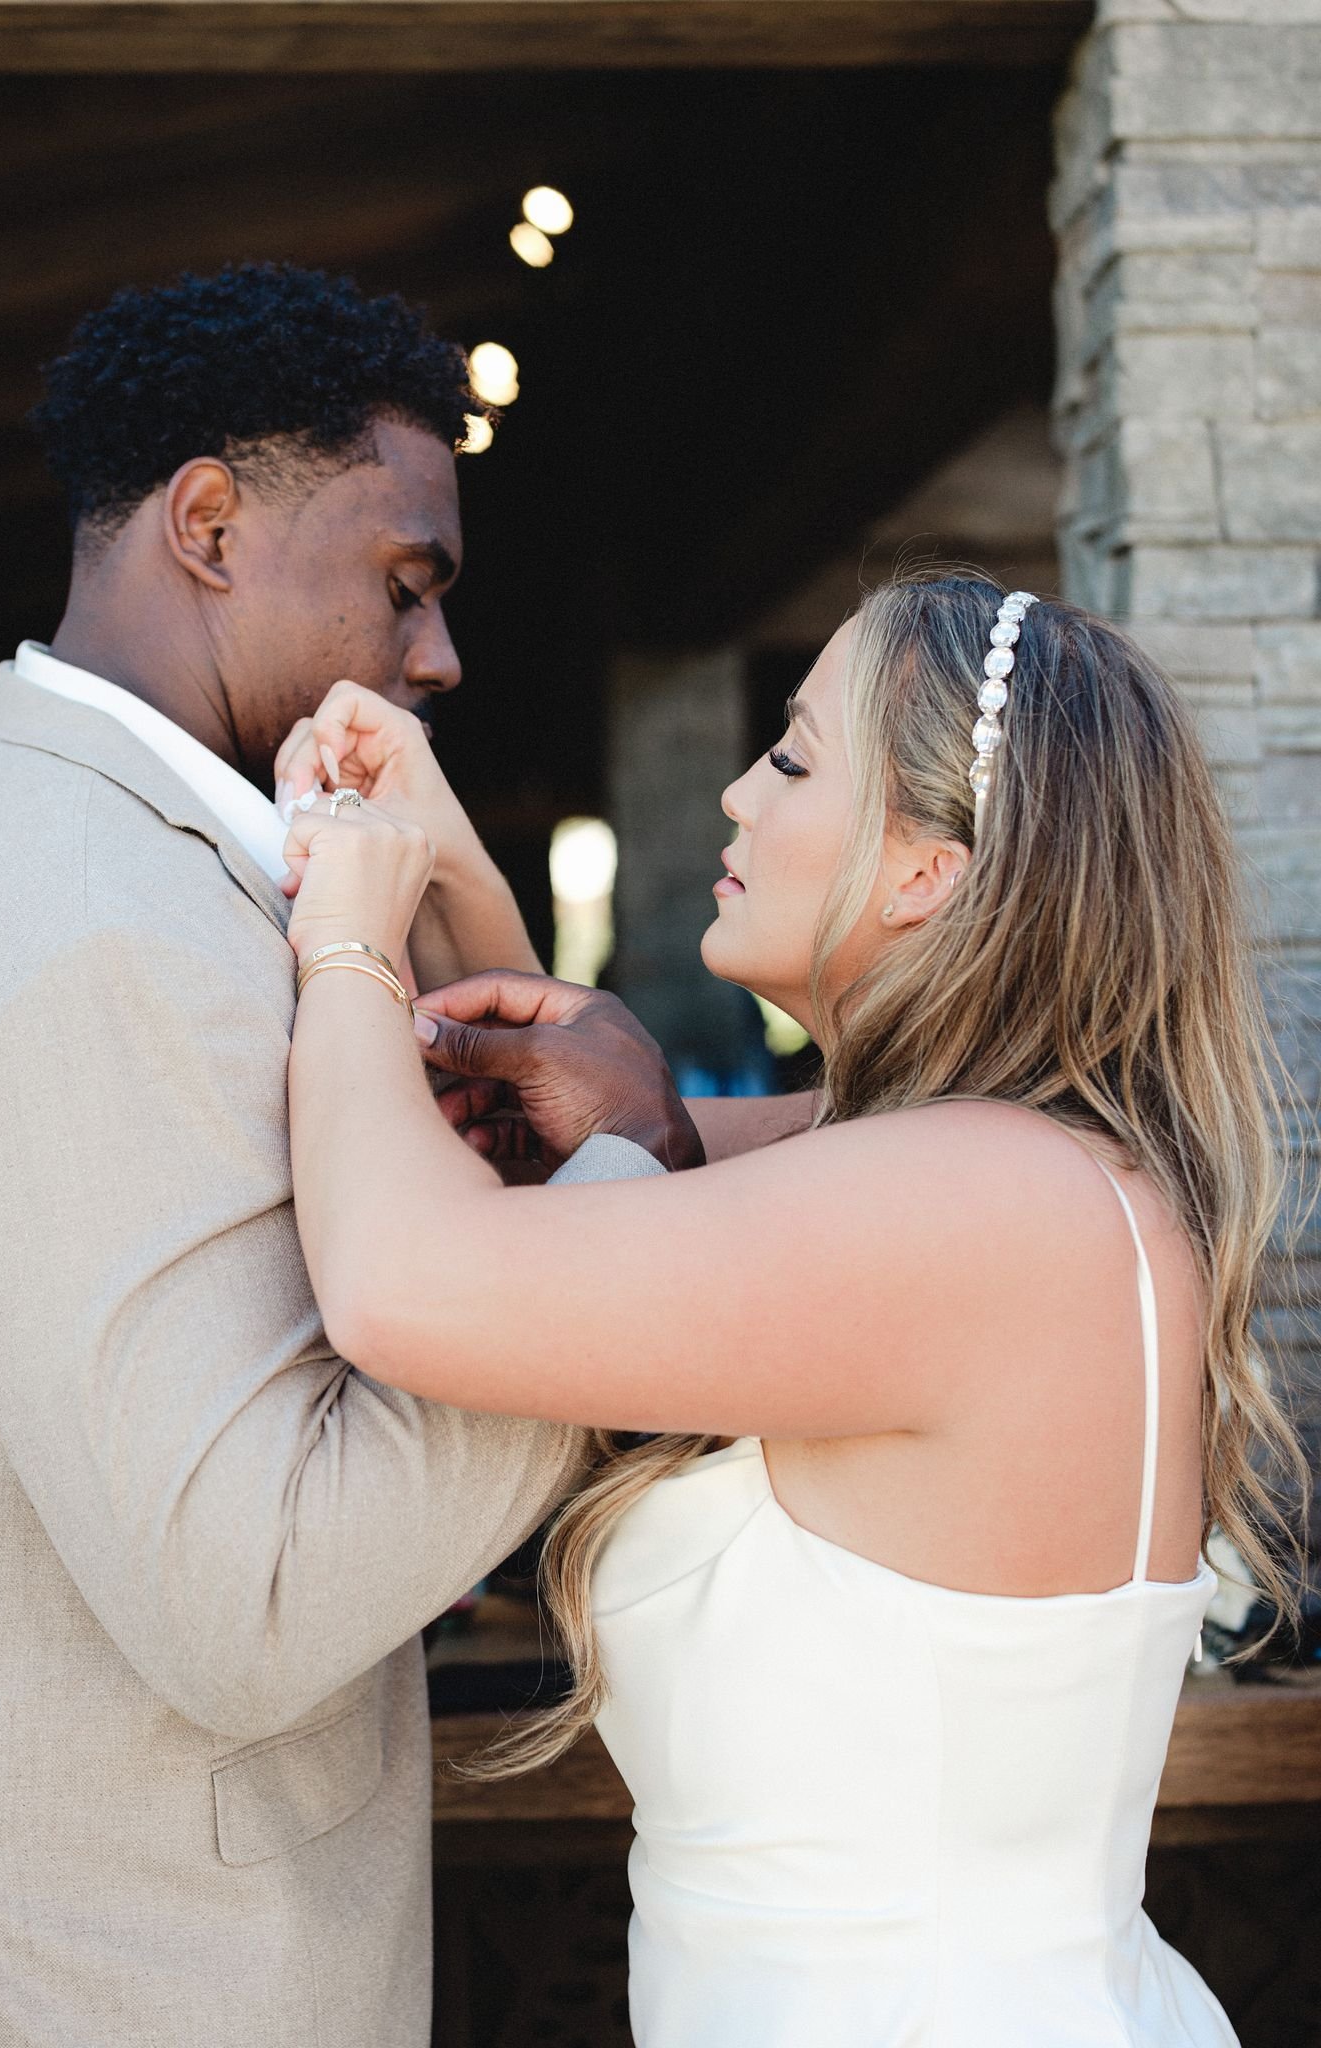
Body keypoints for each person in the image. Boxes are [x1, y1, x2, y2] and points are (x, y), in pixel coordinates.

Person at [0, 263, 665, 2048]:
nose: (440, 656)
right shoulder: (87, 922)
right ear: (207, 524)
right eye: (405, 584)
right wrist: (626, 1216)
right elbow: (251, 1596)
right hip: (97, 1972)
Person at [270, 574, 1306, 2046]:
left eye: (800, 758)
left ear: (926, 873)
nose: (743, 793)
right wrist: (436, 848)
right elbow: (557, 1172)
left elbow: (406, 1280)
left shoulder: (970, 1206)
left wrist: (347, 935)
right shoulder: (998, 1169)